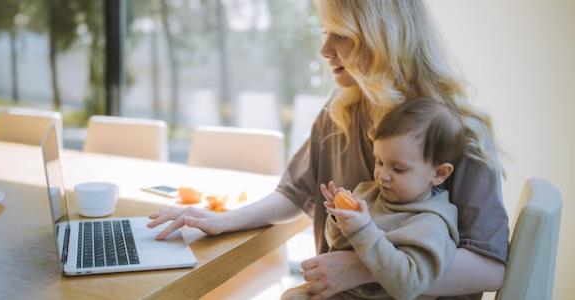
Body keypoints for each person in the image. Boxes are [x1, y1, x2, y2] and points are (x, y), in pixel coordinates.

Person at [147, 1, 509, 299]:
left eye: (342, 36)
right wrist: (223, 220)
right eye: (324, 33)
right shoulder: (340, 111)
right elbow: (294, 193)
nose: (324, 50)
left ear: (383, 38)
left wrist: (362, 268)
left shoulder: (458, 131)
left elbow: (490, 267)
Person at [282, 98, 465, 300]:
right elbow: (335, 243)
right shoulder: (369, 193)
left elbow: (409, 285)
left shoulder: (431, 224)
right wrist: (339, 219)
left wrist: (362, 229)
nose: (382, 175)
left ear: (439, 173)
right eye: (379, 161)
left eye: (398, 168)